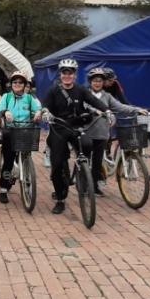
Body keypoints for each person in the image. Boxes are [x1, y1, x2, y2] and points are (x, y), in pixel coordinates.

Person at [40, 59, 111, 214]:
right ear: (60, 74)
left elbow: (94, 101)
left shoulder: (80, 90)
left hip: (75, 127)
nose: (67, 75)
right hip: (58, 127)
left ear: (75, 75)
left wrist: (107, 111)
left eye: (70, 72)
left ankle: (81, 168)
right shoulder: (54, 91)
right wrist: (45, 112)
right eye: (64, 72)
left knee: (87, 144)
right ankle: (60, 199)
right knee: (57, 165)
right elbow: (45, 105)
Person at [84, 68, 146, 196]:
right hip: (86, 132)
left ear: (103, 82)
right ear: (90, 82)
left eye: (100, 81)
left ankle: (95, 186)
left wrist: (137, 110)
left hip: (102, 134)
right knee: (85, 160)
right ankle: (83, 185)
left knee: (97, 161)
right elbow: (84, 106)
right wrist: (94, 111)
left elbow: (120, 106)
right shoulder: (84, 94)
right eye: (95, 81)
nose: (97, 83)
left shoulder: (107, 96)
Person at [0, 71, 42, 203]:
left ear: (25, 84)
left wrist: (38, 113)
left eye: (20, 82)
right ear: (11, 84)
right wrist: (6, 111)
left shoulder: (29, 98)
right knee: (9, 161)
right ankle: (3, 189)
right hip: (11, 131)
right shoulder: (6, 97)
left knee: (26, 155)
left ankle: (26, 173)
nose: (17, 84)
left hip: (26, 131)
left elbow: (38, 108)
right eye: (15, 82)